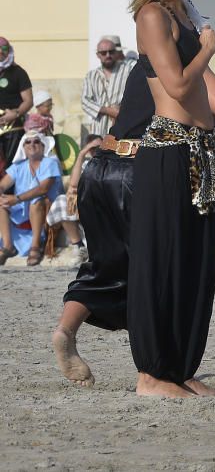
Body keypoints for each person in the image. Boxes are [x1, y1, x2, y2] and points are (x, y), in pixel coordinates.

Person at [127, 0, 215, 398]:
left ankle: (181, 365)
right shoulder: (151, 16)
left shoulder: (183, 12)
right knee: (163, 262)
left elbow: (209, 96)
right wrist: (207, 50)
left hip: (201, 152)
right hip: (168, 153)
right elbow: (177, 86)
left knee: (197, 262)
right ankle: (152, 372)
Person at [51, 61, 155, 387]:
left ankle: (65, 330)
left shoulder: (143, 65)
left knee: (104, 265)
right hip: (135, 172)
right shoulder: (180, 55)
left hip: (101, 166)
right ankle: (154, 370)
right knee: (150, 270)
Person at [0, 130, 62, 265]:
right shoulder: (18, 166)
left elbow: (43, 188)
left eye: (36, 141)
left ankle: (35, 245)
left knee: (36, 201)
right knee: (2, 203)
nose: (32, 144)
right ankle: (7, 246)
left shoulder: (50, 162)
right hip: (22, 213)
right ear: (23, 147)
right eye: (28, 142)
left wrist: (16, 199)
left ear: (43, 146)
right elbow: (3, 185)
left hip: (47, 210)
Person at [45, 134, 101, 267]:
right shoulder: (86, 163)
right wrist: (82, 154)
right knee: (62, 201)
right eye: (93, 148)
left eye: (99, 146)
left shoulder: (112, 161)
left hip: (103, 204)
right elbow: (73, 184)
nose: (97, 150)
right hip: (87, 205)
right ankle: (79, 245)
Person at [81, 35, 135, 138]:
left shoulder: (128, 70)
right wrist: (106, 110)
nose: (108, 55)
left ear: (116, 53)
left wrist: (122, 110)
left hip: (122, 127)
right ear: (98, 55)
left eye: (111, 52)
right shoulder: (92, 75)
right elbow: (85, 101)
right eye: (103, 53)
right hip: (99, 130)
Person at [0, 37, 34, 173]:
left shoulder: (18, 72)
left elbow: (28, 100)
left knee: (11, 165)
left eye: (3, 49)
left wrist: (15, 114)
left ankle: (8, 193)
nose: (0, 52)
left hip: (12, 127)